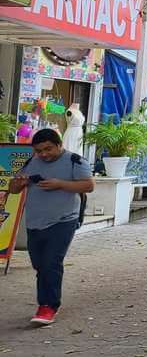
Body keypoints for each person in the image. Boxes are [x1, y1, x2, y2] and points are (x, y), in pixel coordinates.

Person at [6, 128, 95, 324]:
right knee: (39, 264)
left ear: (59, 145)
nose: (44, 154)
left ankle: (48, 306)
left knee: (50, 263)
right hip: (35, 222)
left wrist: (60, 184)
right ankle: (46, 302)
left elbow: (88, 185)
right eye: (39, 150)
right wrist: (18, 183)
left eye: (48, 149)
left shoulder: (75, 161)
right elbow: (12, 190)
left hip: (64, 220)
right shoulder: (32, 162)